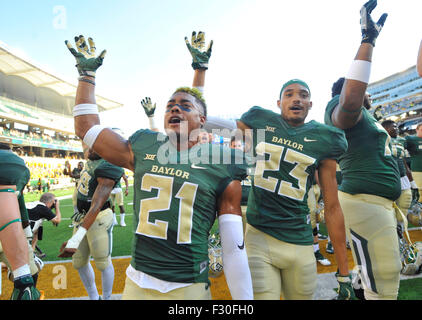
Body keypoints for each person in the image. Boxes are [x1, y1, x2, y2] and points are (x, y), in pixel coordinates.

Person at [63, 34, 253, 300]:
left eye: (184, 106)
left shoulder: (220, 161)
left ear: (202, 120)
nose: (175, 108)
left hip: (188, 287)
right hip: (137, 283)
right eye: (169, 106)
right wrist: (86, 75)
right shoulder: (144, 144)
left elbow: (234, 248)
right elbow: (87, 129)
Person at [187, 32, 353, 300]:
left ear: (311, 104)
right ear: (279, 103)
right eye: (289, 94)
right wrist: (200, 70)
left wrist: (344, 271)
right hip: (259, 235)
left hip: (299, 240)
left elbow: (333, 207)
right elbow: (198, 120)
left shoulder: (326, 139)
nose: (296, 98)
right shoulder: (259, 121)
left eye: (303, 95)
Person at [324, 0, 402, 300]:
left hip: (378, 201)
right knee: (384, 282)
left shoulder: (370, 119)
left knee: (372, 273)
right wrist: (367, 42)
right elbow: (350, 103)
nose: (367, 92)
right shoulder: (341, 106)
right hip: (364, 200)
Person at [59, 146, 124, 300]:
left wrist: (76, 238)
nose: (92, 147)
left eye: (97, 144)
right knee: (78, 261)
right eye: (91, 144)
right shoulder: (88, 161)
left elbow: (96, 206)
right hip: (81, 216)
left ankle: (107, 297)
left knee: (102, 261)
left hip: (99, 216)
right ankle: (94, 297)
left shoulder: (108, 164)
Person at [0, 142, 40, 300]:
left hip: (10, 232)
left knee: (29, 273)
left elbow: (21, 205)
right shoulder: (15, 168)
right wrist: (28, 237)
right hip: (11, 231)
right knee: (27, 276)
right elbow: (19, 208)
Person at [382, 120, 417, 230]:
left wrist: (413, 183)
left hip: (402, 177)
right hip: (387, 179)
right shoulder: (379, 141)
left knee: (405, 204)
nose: (396, 129)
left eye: (397, 127)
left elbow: (404, 163)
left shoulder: (401, 141)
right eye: (393, 127)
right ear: (385, 129)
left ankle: (400, 232)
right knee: (387, 210)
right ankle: (389, 233)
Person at [28, 192, 62, 257]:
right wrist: (57, 207)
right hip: (22, 231)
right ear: (51, 202)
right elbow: (57, 220)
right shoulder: (43, 208)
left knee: (37, 231)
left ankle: (32, 251)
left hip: (17, 225)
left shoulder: (36, 204)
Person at [404, 123, 422, 202]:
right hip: (418, 171)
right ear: (416, 130)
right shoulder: (411, 139)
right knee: (419, 195)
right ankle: (416, 213)